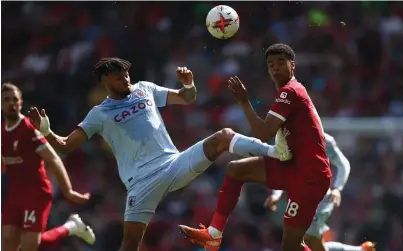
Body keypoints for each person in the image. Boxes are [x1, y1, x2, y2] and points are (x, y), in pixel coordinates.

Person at [27, 57, 287, 251]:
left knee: (223, 136)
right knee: (130, 243)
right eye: (119, 77)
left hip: (174, 164)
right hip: (141, 182)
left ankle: (274, 151)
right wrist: (47, 131)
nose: (126, 79)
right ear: (106, 82)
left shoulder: (144, 88)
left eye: (127, 74)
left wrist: (189, 85)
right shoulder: (99, 114)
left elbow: (187, 98)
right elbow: (65, 145)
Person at [179, 43, 332, 251]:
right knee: (236, 169)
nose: (275, 68)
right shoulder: (287, 93)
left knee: (292, 246)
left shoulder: (290, 92)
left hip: (309, 175)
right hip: (292, 166)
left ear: (292, 65)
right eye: (271, 64)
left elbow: (263, 133)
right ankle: (213, 235)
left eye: (281, 63)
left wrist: (244, 102)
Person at [1, 83, 95, 251]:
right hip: (15, 194)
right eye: (6, 100)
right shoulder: (2, 132)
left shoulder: (28, 130)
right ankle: (72, 227)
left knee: (28, 246)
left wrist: (68, 191)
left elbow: (54, 159)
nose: (11, 103)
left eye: (14, 99)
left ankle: (71, 227)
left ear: (21, 103)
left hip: (36, 193)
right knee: (7, 242)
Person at [265, 133, 376, 251]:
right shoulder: (288, 141)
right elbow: (284, 172)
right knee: (308, 242)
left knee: (308, 237)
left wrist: (337, 188)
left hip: (321, 198)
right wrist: (275, 195)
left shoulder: (325, 140)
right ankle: (361, 250)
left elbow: (343, 164)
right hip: (299, 200)